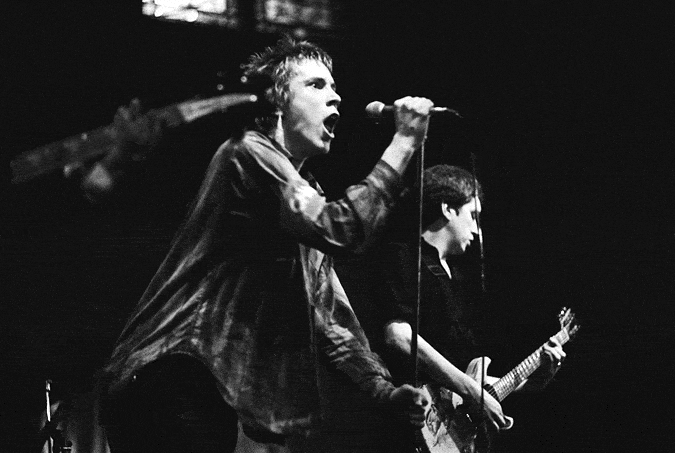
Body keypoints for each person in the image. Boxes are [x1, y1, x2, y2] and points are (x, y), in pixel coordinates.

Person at [98, 36, 433, 453]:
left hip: (197, 386)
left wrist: (384, 391)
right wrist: (403, 144)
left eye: (334, 87)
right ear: (276, 102)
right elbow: (342, 229)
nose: (336, 97)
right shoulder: (247, 152)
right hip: (168, 372)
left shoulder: (304, 194)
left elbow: (331, 319)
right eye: (316, 85)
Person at [371, 164, 566, 452]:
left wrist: (538, 378)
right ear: (448, 208)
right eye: (473, 215)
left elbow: (472, 380)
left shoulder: (460, 280)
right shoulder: (404, 255)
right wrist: (471, 389)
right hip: (410, 424)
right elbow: (398, 336)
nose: (477, 229)